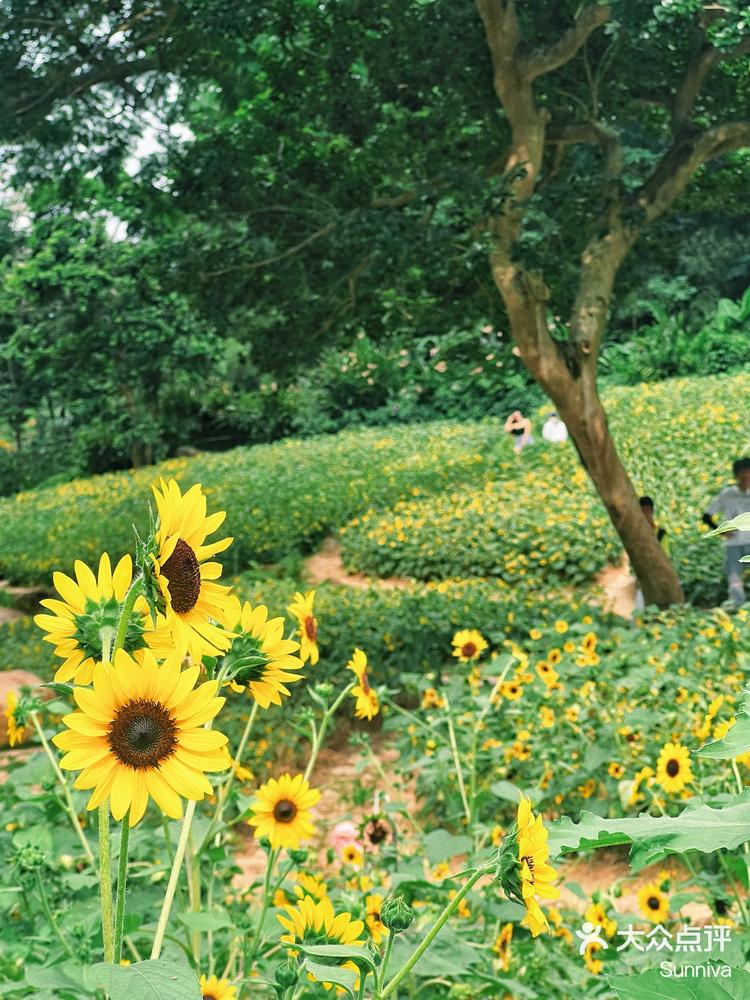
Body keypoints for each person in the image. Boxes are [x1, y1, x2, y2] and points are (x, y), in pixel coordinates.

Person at [702, 457, 750, 607]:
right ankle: (739, 608)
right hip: (734, 544)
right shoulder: (727, 495)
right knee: (734, 579)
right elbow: (706, 516)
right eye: (743, 474)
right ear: (736, 476)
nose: (746, 478)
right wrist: (722, 532)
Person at [634, 496, 670, 611]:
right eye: (642, 512)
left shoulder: (661, 533)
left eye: (647, 511)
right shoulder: (635, 534)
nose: (645, 515)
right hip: (641, 578)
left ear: (652, 511)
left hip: (658, 578)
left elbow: (665, 557)